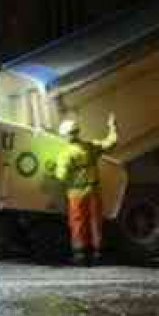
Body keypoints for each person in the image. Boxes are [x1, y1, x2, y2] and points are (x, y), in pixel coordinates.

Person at [54, 112, 119, 263]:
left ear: (65, 135)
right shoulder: (91, 147)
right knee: (95, 221)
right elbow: (111, 142)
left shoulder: (65, 154)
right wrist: (112, 127)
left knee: (78, 223)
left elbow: (61, 176)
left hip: (76, 194)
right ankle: (98, 254)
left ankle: (80, 255)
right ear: (77, 132)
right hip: (93, 191)